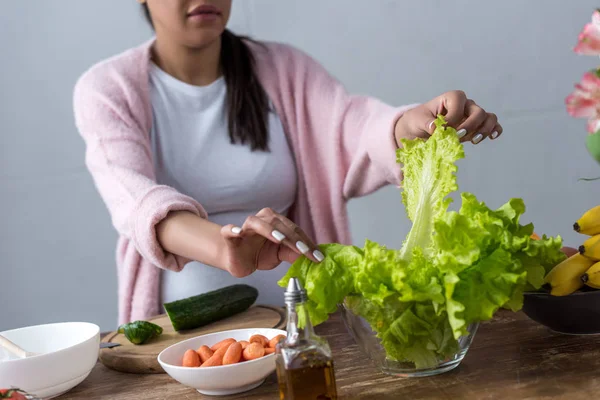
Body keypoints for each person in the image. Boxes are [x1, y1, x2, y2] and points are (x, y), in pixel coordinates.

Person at [73, 0, 503, 324]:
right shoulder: (107, 89)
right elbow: (135, 202)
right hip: (187, 350)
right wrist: (227, 248)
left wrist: (407, 125)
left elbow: (350, 125)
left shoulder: (283, 69)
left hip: (307, 330)